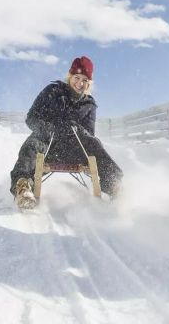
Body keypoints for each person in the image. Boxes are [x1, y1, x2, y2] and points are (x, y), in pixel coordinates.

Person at [9, 56, 123, 209]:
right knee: (32, 144)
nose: (80, 83)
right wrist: (50, 129)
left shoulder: (89, 104)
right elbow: (31, 118)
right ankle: (23, 187)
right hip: (47, 144)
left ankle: (114, 185)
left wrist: (76, 128)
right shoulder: (53, 91)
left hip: (73, 150)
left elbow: (89, 135)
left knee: (95, 144)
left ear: (89, 83)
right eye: (77, 77)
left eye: (84, 80)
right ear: (70, 76)